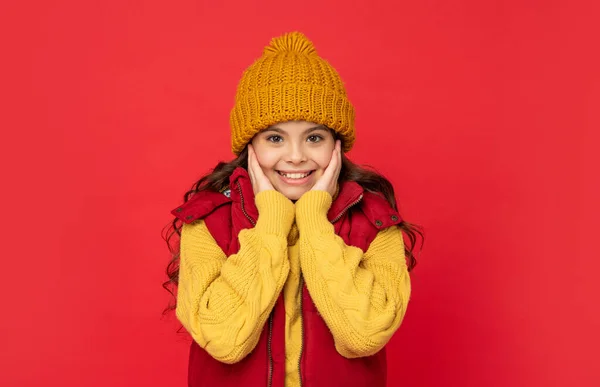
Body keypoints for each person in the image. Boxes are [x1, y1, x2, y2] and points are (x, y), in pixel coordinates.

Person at [163, 31, 423, 387]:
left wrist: (315, 221)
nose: (296, 156)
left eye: (314, 138)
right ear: (249, 146)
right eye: (275, 138)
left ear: (337, 145)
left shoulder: (375, 223)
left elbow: (364, 334)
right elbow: (224, 339)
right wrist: (272, 220)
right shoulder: (207, 222)